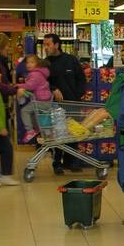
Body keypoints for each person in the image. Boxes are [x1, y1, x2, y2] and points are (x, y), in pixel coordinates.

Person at [42, 33, 87, 174]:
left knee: (73, 133)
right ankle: (57, 163)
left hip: (73, 103)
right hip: (56, 106)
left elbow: (81, 78)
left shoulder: (71, 60)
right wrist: (53, 88)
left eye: (48, 44)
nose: (45, 48)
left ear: (57, 45)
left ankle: (71, 162)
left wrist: (78, 94)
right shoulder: (45, 64)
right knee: (59, 134)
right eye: (44, 45)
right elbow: (42, 82)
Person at [17, 54, 52, 143]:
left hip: (41, 101)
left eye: (32, 62)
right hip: (45, 101)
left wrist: (18, 86)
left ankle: (30, 131)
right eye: (27, 62)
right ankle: (39, 129)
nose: (29, 64)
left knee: (24, 111)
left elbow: (30, 86)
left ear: (37, 64)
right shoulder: (39, 73)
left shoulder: (35, 74)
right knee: (33, 114)